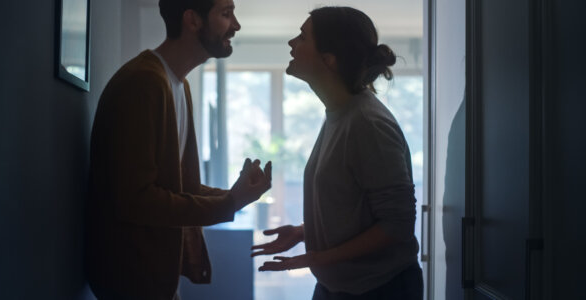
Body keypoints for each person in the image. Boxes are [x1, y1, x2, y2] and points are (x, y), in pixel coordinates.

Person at [85, 0, 271, 299]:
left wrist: (235, 195)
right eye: (226, 14)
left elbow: (179, 186)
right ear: (192, 20)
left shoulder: (178, 84)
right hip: (133, 280)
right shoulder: (144, 83)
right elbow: (137, 200)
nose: (235, 25)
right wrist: (229, 203)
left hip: (156, 277)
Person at [251, 6, 422, 300]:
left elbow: (397, 225)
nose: (291, 43)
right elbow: (355, 206)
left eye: (302, 37)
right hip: (339, 288)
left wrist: (317, 258)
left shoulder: (368, 123)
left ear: (328, 59)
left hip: (379, 290)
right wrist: (307, 231)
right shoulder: (340, 113)